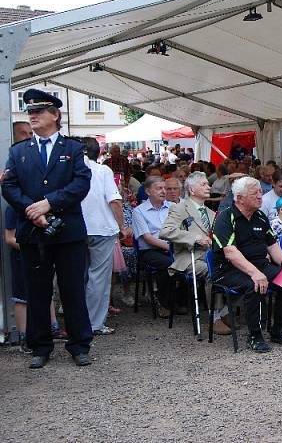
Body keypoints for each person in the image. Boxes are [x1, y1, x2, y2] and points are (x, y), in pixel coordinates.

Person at [2, 89, 93, 369]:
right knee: (37, 292)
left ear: (55, 115)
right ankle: (39, 346)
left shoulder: (73, 148)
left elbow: (81, 184)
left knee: (73, 290)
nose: (33, 116)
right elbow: (8, 185)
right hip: (32, 233)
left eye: (39, 112)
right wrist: (33, 211)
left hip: (68, 233)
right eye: (30, 112)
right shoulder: (18, 151)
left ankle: (79, 345)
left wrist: (49, 204)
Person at [212, 177, 282, 352]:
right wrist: (254, 273)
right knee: (255, 284)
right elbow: (230, 253)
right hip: (229, 269)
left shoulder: (259, 216)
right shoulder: (226, 218)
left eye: (260, 192)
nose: (260, 196)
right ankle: (255, 334)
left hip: (260, 264)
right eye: (255, 193)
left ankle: (279, 328)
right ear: (239, 198)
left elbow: (272, 244)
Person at [81, 137, 128, 336]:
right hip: (101, 229)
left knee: (79, 277)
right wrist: (122, 226)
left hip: (77, 230)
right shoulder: (102, 171)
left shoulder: (70, 170)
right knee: (98, 278)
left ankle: (76, 318)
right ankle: (94, 323)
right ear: (98, 153)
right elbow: (115, 201)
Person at [159, 171, 214, 323]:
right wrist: (194, 238)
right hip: (189, 257)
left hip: (209, 255)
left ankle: (224, 311)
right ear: (192, 190)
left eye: (208, 184)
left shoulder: (211, 213)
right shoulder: (180, 208)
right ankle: (216, 317)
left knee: (233, 270)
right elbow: (166, 231)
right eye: (204, 184)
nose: (208, 187)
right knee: (214, 271)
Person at [132, 176, 176, 317]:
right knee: (169, 264)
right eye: (159, 188)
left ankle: (180, 301)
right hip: (150, 250)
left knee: (186, 261)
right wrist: (169, 247)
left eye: (164, 188)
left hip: (172, 246)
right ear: (148, 191)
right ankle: (163, 302)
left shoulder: (172, 207)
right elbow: (147, 238)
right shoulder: (139, 211)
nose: (163, 191)